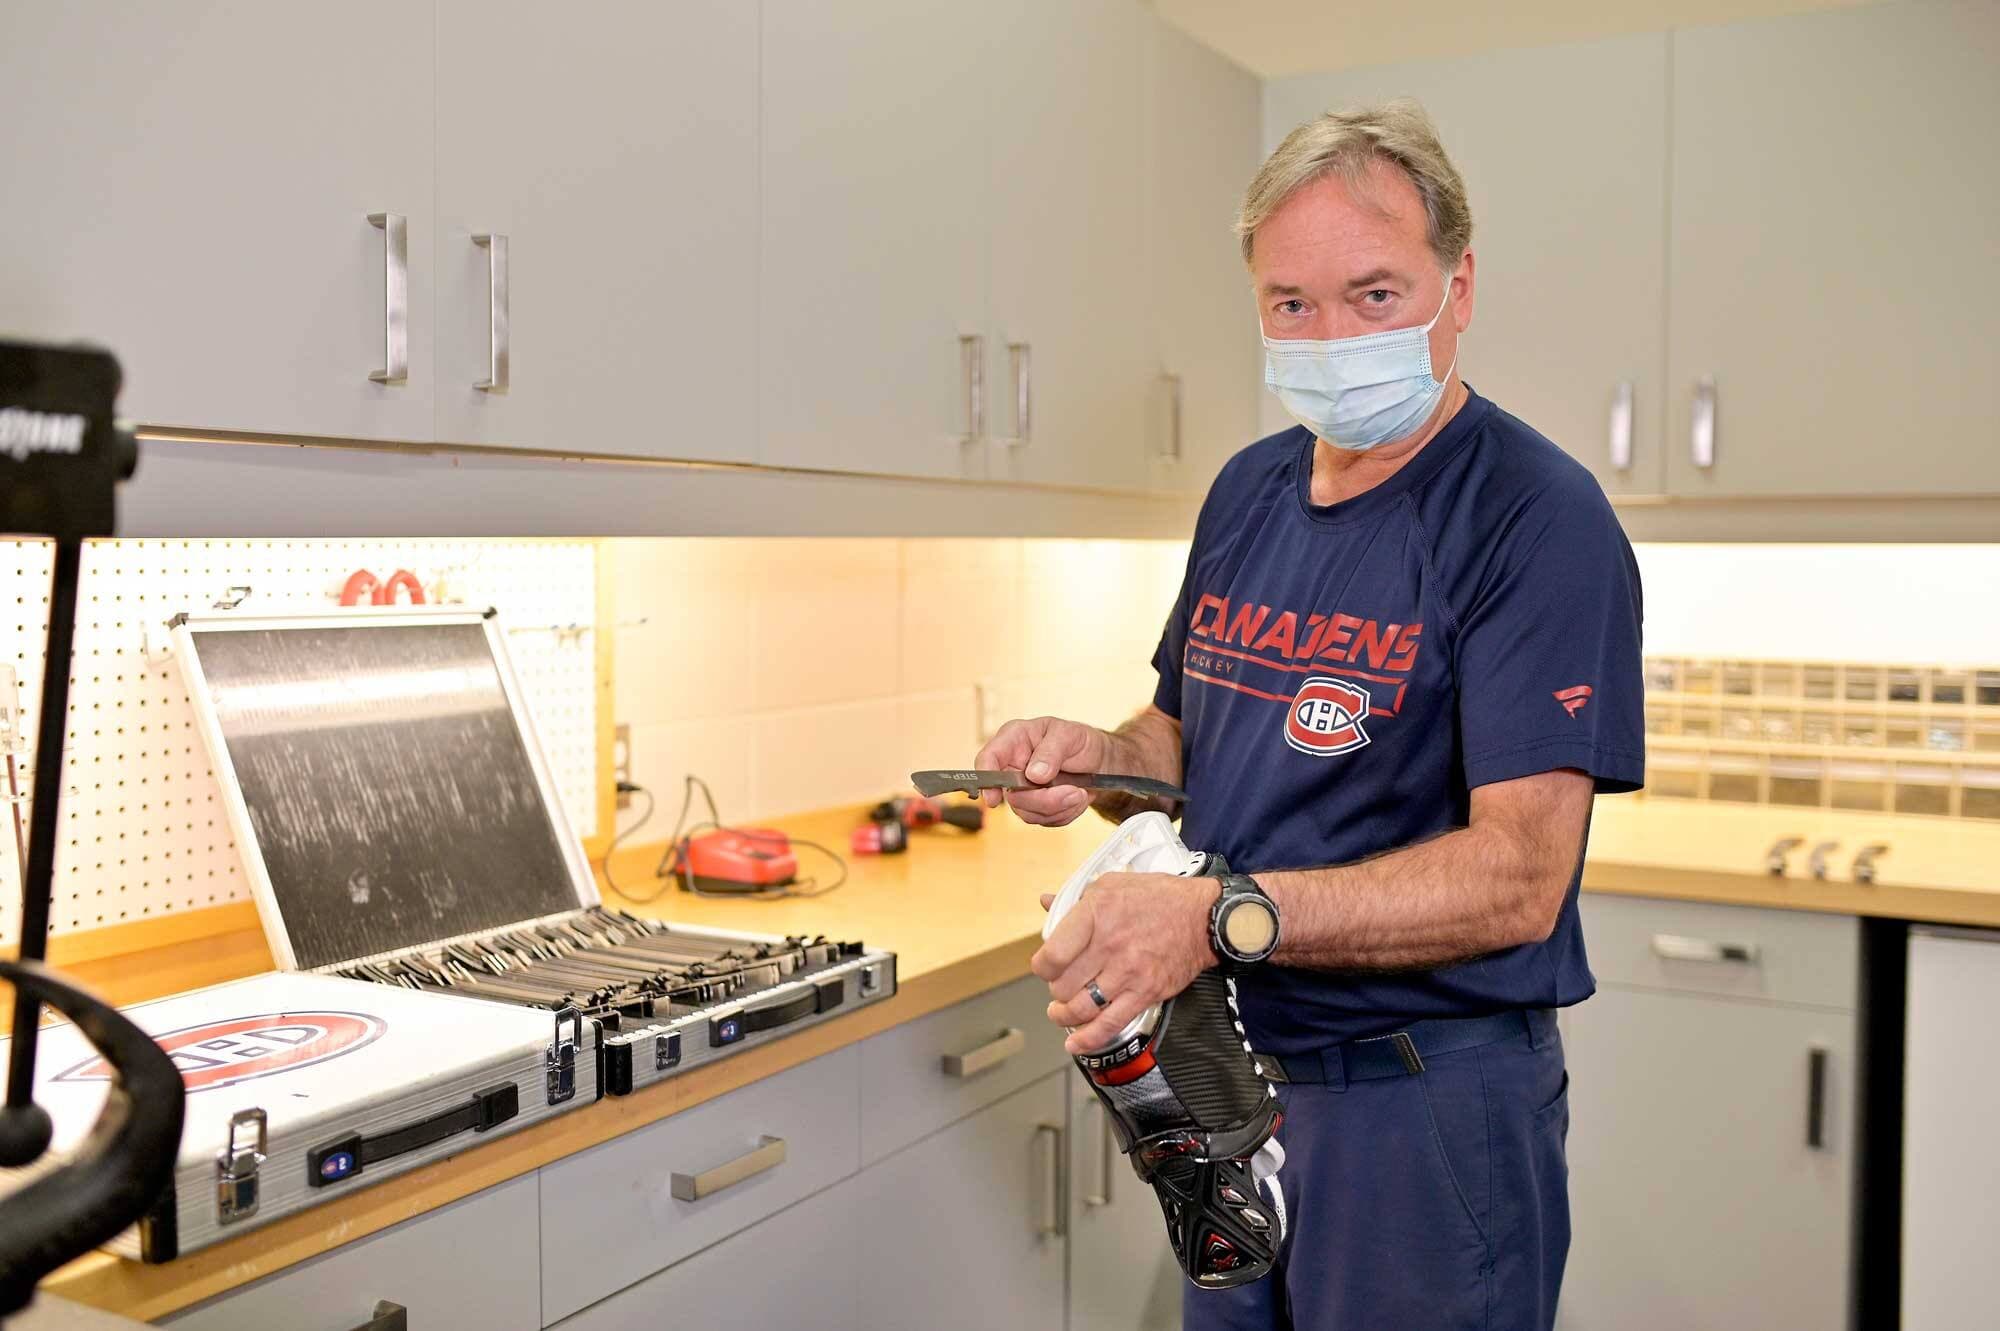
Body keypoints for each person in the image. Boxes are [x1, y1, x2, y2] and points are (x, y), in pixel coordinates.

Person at [975, 100, 1645, 1331]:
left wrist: (1211, 917)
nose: (1331, 336)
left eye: (1373, 294)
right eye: (1290, 303)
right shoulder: (1249, 488)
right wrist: (1100, 760)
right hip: (1228, 1088)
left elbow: (1517, 879)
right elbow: (1187, 735)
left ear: (1456, 287)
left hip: (1420, 1103)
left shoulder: (1533, 515)